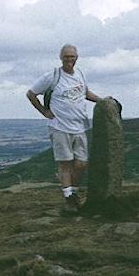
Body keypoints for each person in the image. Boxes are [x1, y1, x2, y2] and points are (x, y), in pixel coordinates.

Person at [27, 44, 103, 211]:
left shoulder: (81, 74)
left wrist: (102, 101)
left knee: (81, 164)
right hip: (60, 127)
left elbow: (85, 93)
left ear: (77, 57)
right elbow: (31, 94)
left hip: (80, 127)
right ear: (61, 58)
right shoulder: (53, 76)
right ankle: (69, 197)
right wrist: (43, 111)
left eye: (72, 56)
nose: (70, 59)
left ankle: (73, 193)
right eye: (66, 56)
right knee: (65, 164)